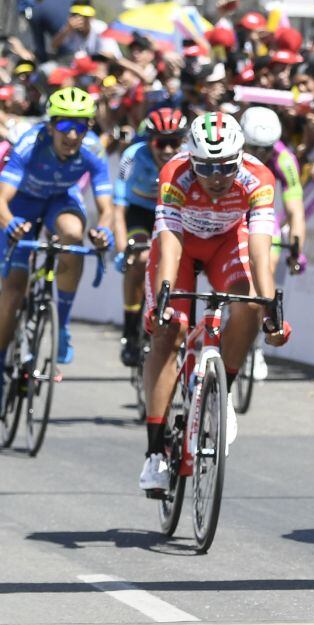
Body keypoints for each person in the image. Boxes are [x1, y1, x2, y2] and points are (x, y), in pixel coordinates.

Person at [139, 112, 291, 492]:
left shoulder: (259, 178)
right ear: (191, 159)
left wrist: (271, 304)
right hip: (182, 247)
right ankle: (155, 453)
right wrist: (164, 298)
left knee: (251, 302)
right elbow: (169, 243)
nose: (217, 177)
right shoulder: (173, 175)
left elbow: (260, 250)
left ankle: (223, 393)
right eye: (206, 167)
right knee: (170, 328)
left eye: (225, 166)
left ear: (240, 159)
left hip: (227, 242)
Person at [0, 87, 115, 381]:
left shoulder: (93, 150)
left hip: (60, 200)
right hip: (22, 204)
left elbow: (106, 207)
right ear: (50, 125)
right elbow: (2, 197)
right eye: (64, 125)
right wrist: (10, 223)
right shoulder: (29, 143)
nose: (73, 135)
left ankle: (61, 325)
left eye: (80, 126)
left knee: (74, 236)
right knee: (13, 291)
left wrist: (103, 231)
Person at [113, 108, 187, 367]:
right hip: (140, 214)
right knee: (139, 259)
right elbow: (119, 208)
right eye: (161, 142)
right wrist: (123, 250)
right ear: (149, 140)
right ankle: (130, 330)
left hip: (175, 215)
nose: (167, 150)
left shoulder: (189, 160)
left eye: (174, 142)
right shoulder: (132, 156)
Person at [240, 106, 308, 381]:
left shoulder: (284, 158)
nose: (259, 155)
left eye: (265, 149)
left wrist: (296, 247)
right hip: (229, 218)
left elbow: (295, 209)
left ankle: (254, 343)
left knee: (264, 273)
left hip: (262, 220)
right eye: (253, 148)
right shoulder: (231, 150)